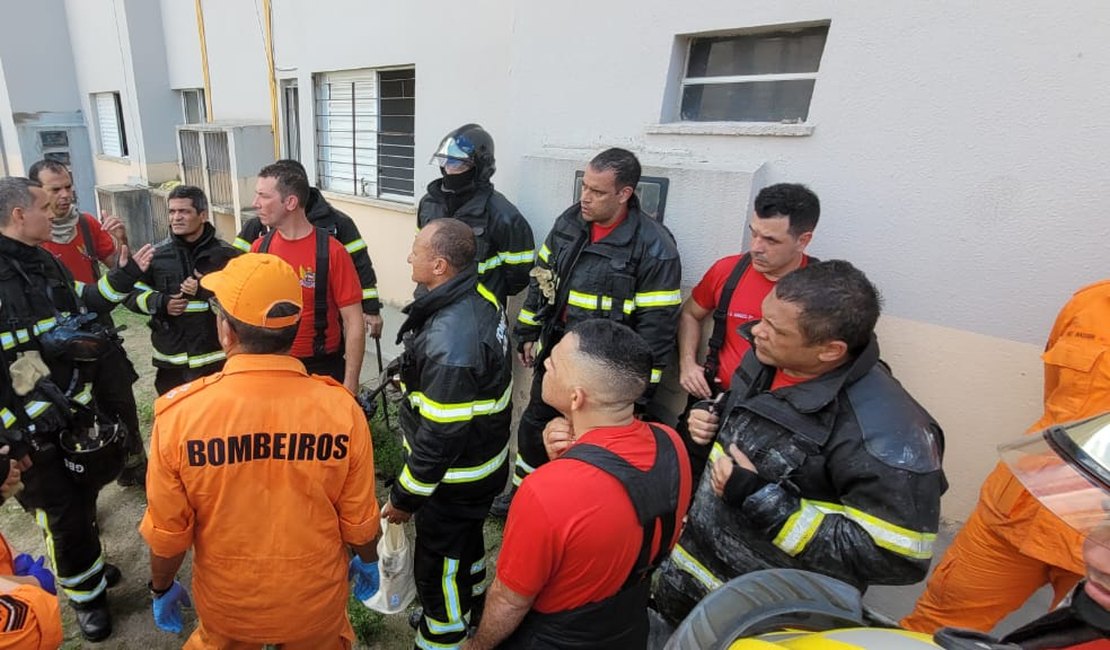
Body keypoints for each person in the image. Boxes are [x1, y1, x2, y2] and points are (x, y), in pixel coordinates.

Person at [652, 260, 948, 627]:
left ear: (829, 350)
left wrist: (762, 500)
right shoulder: (768, 357)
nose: (755, 331)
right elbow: (752, 426)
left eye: (774, 329)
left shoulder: (888, 433)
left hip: (766, 616)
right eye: (762, 318)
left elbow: (896, 557)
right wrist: (710, 419)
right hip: (693, 585)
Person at [139, 253, 382, 648]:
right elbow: (359, 520)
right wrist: (368, 560)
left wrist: (161, 587)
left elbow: (168, 536)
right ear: (296, 329)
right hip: (314, 603)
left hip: (229, 607)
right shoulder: (341, 410)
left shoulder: (180, 417)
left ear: (226, 332)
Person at [464, 319, 692, 649]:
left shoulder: (545, 492)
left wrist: (478, 645)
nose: (545, 364)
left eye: (553, 362)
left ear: (576, 397)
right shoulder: (671, 444)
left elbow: (509, 601)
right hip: (628, 625)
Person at [902, 279, 1110, 634]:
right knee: (933, 628)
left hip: (1101, 539)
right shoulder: (1091, 304)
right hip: (1020, 510)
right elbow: (1059, 403)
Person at [0, 176, 154, 641]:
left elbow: (84, 301)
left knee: (85, 498)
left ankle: (89, 568)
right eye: (46, 206)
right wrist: (13, 431)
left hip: (71, 411)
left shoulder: (42, 260)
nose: (56, 213)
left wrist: (126, 276)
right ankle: (86, 600)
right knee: (61, 517)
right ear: (18, 215)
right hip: (29, 431)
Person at [497, 147, 682, 516]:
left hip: (606, 367)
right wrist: (528, 330)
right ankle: (524, 498)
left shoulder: (655, 247)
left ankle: (570, 509)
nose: (585, 196)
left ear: (625, 194)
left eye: (597, 191)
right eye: (585, 186)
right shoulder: (569, 224)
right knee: (536, 424)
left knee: (589, 443)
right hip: (559, 349)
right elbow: (542, 280)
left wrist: (641, 394)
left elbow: (657, 329)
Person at [381, 218, 512, 650]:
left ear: (439, 265)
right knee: (466, 550)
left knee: (437, 570)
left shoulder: (452, 340)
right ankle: (470, 603)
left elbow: (440, 438)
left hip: (452, 483)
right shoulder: (478, 295)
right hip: (480, 470)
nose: (408, 257)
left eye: (415, 250)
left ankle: (442, 634)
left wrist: (404, 498)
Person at [677, 183, 819, 482]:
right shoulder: (728, 271)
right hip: (713, 406)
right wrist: (688, 364)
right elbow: (691, 313)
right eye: (754, 233)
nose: (756, 246)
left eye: (770, 239)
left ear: (803, 240)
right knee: (682, 482)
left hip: (774, 419)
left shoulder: (822, 293)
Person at [28, 159, 147, 487]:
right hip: (56, 343)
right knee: (78, 411)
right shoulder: (29, 244)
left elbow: (117, 269)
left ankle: (134, 467)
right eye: (56, 189)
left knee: (120, 400)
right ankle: (88, 479)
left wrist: (122, 240)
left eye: (68, 187)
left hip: (98, 327)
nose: (65, 195)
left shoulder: (88, 225)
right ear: (36, 193)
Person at [234, 159, 384, 339]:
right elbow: (235, 267)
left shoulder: (337, 224)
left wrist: (371, 308)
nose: (256, 203)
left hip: (323, 334)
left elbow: (361, 265)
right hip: (274, 339)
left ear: (292, 198)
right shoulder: (257, 229)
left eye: (265, 195)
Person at [249, 163, 365, 393]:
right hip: (273, 367)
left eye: (263, 195)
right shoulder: (259, 249)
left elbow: (354, 322)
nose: (255, 203)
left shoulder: (332, 252)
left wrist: (350, 383)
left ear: (290, 202)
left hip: (322, 369)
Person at [126, 185, 241, 395]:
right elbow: (130, 291)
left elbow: (242, 300)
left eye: (184, 211)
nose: (176, 217)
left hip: (216, 360)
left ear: (203, 215)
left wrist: (205, 289)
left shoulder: (226, 256)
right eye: (172, 211)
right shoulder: (156, 256)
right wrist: (160, 302)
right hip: (171, 363)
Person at [418, 124, 535, 306]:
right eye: (444, 162)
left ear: (480, 168)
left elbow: (517, 277)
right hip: (429, 301)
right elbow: (421, 252)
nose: (448, 170)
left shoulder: (503, 215)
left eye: (456, 163)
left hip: (476, 309)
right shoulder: (429, 203)